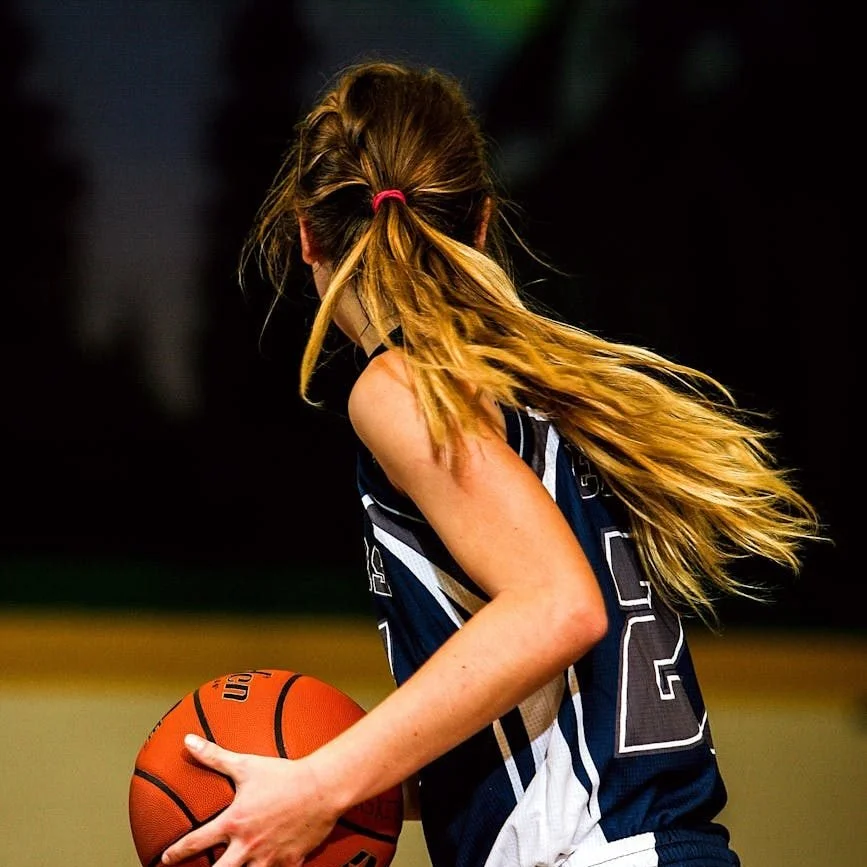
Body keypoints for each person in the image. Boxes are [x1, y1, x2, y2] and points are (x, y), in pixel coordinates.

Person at [161, 60, 821, 867]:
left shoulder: (400, 385)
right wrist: (326, 772)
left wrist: (323, 783)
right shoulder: (532, 388)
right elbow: (542, 705)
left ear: (305, 237)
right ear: (479, 223)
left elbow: (556, 606)